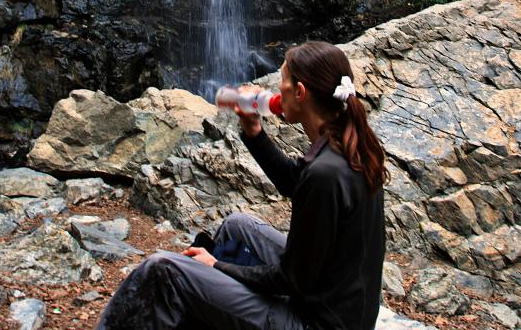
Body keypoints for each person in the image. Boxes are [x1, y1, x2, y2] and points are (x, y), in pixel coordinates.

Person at [95, 41, 387, 330]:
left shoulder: (325, 173)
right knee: (237, 226)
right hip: (340, 305)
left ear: (299, 93)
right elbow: (295, 183)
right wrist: (254, 132)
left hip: (314, 321)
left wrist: (217, 266)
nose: (276, 90)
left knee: (163, 270)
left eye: (282, 80)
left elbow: (290, 280)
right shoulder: (350, 143)